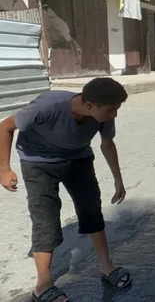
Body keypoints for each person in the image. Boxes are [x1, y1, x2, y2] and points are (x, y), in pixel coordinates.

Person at [0, 78, 131, 302]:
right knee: (45, 220)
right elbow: (5, 126)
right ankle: (42, 285)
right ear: (89, 105)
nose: (114, 115)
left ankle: (106, 266)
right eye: (111, 110)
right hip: (38, 163)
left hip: (78, 158)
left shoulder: (103, 113)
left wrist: (118, 180)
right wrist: (4, 169)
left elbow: (107, 143)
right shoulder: (48, 107)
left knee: (92, 210)